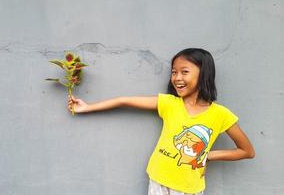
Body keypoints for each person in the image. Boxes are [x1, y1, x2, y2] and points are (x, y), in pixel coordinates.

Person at [67, 48, 255, 195]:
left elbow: (246, 151)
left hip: (189, 188)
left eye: (184, 72)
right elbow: (124, 100)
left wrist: (207, 156)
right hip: (157, 178)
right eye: (174, 72)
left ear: (203, 73)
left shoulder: (221, 114)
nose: (177, 78)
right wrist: (87, 106)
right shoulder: (169, 103)